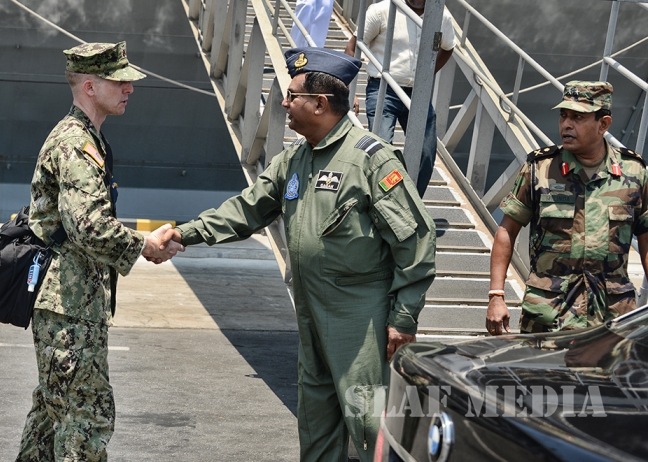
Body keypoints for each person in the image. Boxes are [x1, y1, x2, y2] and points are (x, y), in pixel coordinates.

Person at [166, 47, 436, 461]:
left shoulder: (371, 160)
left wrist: (403, 318)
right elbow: (247, 209)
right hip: (310, 311)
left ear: (320, 104)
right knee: (316, 425)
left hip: (359, 317)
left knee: (371, 423)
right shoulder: (295, 158)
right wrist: (184, 233)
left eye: (292, 95)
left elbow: (415, 240)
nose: (284, 103)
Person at [16, 41, 182, 461]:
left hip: (69, 302)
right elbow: (88, 226)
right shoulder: (77, 144)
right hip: (69, 306)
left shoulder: (85, 138)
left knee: (52, 417)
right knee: (87, 417)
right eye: (119, 81)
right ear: (89, 86)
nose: (129, 88)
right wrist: (144, 245)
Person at [486, 80, 648, 336]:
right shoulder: (541, 169)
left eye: (578, 117)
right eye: (563, 116)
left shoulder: (634, 173)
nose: (566, 125)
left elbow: (646, 238)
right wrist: (496, 295)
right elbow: (507, 230)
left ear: (603, 124)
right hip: (549, 316)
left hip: (612, 318)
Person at [345, 0, 456, 198]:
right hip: (383, 89)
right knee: (381, 151)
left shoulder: (441, 15)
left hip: (418, 94)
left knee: (426, 153)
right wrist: (349, 90)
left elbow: (448, 47)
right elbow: (352, 47)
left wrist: (428, 74)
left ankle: (410, 204)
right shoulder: (381, 11)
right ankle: (380, 201)